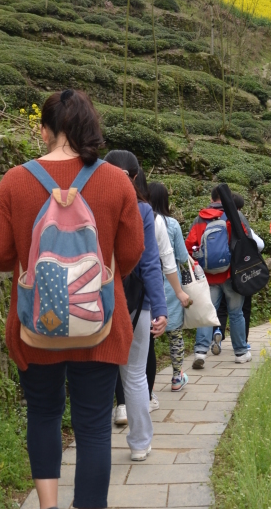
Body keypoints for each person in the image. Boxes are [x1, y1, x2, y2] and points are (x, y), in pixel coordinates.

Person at [0, 89, 145, 509]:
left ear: (46, 129)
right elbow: (131, 253)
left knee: (44, 413)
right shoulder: (116, 181)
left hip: (37, 326)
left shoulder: (16, 181)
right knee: (93, 426)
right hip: (100, 325)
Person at [104, 152, 167, 461]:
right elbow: (150, 263)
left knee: (99, 374)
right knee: (135, 374)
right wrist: (160, 309)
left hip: (96, 301)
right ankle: (140, 444)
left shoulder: (90, 203)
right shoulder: (142, 211)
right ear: (135, 176)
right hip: (136, 302)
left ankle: (95, 445)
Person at [186, 186, 254, 367]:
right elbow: (248, 241)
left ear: (211, 198)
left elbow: (189, 246)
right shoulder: (235, 216)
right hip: (232, 275)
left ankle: (201, 352)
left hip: (209, 276)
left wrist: (200, 265)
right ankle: (241, 353)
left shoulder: (200, 218)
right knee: (236, 313)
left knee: (208, 313)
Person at [149, 181, 193, 392]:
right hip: (171, 287)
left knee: (148, 341)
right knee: (175, 336)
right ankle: (177, 377)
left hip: (149, 288)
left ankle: (146, 386)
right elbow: (182, 256)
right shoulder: (172, 224)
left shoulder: (143, 219)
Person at [216, 194, 264, 344]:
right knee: (242, 308)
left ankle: (218, 333)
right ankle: (243, 340)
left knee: (221, 305)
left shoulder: (216, 217)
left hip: (219, 268)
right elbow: (258, 244)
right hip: (240, 268)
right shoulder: (239, 217)